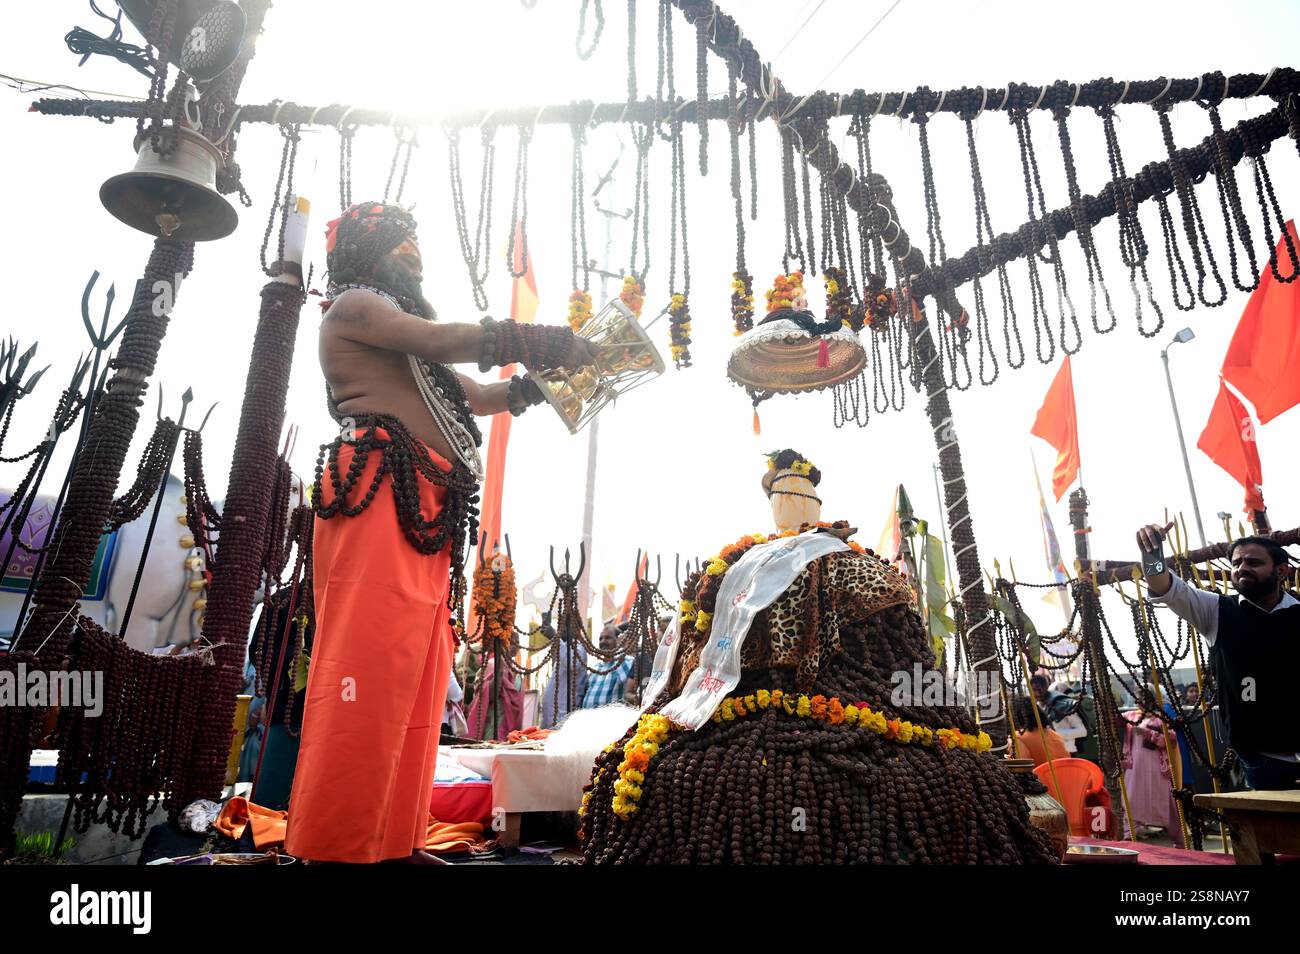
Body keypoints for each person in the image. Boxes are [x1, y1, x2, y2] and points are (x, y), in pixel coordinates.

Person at [285, 202, 598, 864]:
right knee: (368, 671)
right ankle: (337, 848)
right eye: (403, 245)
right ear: (366, 251)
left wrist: (536, 387)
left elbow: (475, 397)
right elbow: (439, 339)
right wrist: (537, 340)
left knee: (418, 678)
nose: (416, 258)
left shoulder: (405, 345)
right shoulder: (356, 309)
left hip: (423, 506)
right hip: (377, 486)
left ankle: (394, 841)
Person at [1137, 524, 1299, 791]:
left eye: (1253, 562)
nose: (1242, 568)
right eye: (1236, 563)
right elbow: (1163, 586)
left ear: (1281, 571)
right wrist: (1152, 555)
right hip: (1261, 760)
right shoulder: (1216, 610)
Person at [1121, 687, 1185, 847]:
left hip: (1156, 767)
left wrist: (1149, 734)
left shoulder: (1160, 718)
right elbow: (1114, 719)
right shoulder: (1131, 716)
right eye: (1137, 698)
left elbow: (1171, 740)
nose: (1140, 702)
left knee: (1166, 802)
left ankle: (1180, 840)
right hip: (1134, 768)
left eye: (1143, 698)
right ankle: (1129, 837)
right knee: (1131, 800)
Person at [583, 622, 634, 709]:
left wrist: (620, 647)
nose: (603, 641)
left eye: (608, 638)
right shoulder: (596, 667)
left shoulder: (628, 661)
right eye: (600, 639)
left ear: (618, 640)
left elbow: (624, 680)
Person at [1011, 696, 1070, 766]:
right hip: (1067, 772)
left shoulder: (1018, 738)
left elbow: (1020, 768)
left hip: (1042, 773)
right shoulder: (1053, 733)